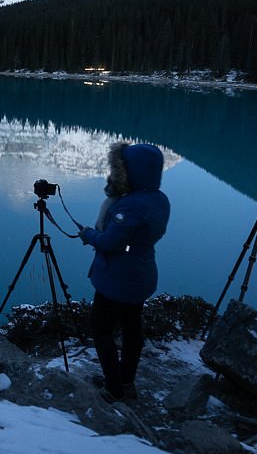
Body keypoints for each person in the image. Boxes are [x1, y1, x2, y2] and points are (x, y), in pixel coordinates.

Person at [79, 142, 170, 403]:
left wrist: (88, 235)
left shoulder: (130, 206)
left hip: (117, 280)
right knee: (132, 329)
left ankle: (113, 388)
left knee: (101, 329)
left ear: (131, 171)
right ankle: (125, 381)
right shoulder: (158, 199)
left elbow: (111, 243)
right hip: (140, 274)